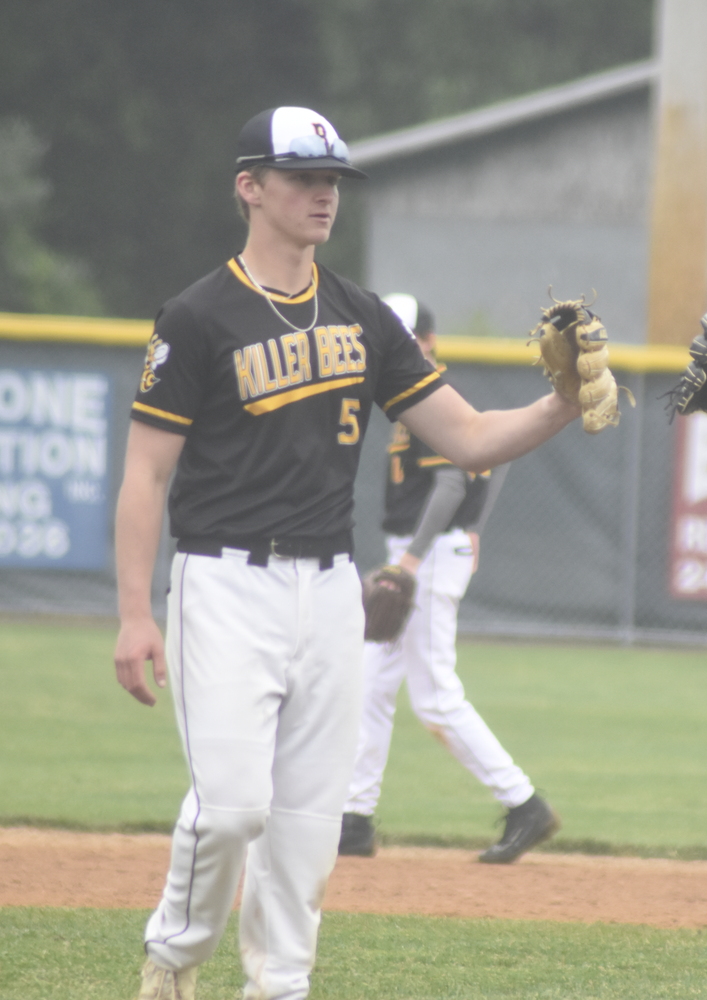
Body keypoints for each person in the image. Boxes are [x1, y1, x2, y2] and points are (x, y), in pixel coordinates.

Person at [112, 106, 581, 1000]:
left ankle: (279, 986)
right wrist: (136, 613)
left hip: (330, 584)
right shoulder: (197, 316)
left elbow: (472, 438)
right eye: (302, 177)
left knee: (305, 821)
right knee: (234, 809)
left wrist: (560, 404)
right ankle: (173, 961)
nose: (324, 194)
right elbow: (145, 475)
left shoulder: (364, 316)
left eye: (333, 181)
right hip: (222, 580)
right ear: (250, 187)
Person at [338, 293, 560, 865]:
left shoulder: (428, 392)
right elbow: (498, 452)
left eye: (405, 335)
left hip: (427, 553)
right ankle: (355, 818)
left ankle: (524, 803)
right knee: (372, 683)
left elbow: (452, 486)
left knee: (434, 694)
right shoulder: (412, 394)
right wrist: (476, 529)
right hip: (424, 547)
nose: (393, 343)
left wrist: (410, 561)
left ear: (429, 342)